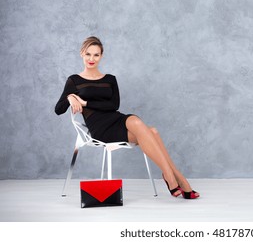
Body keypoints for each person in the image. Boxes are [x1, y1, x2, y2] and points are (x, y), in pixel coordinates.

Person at [55, 36, 199, 199]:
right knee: (152, 132)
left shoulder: (110, 79)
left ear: (101, 56)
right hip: (100, 129)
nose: (91, 59)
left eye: (96, 55)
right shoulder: (74, 80)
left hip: (116, 119)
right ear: (82, 53)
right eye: (88, 54)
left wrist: (85, 102)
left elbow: (113, 106)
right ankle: (177, 178)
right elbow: (58, 110)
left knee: (150, 129)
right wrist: (69, 97)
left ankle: (171, 176)